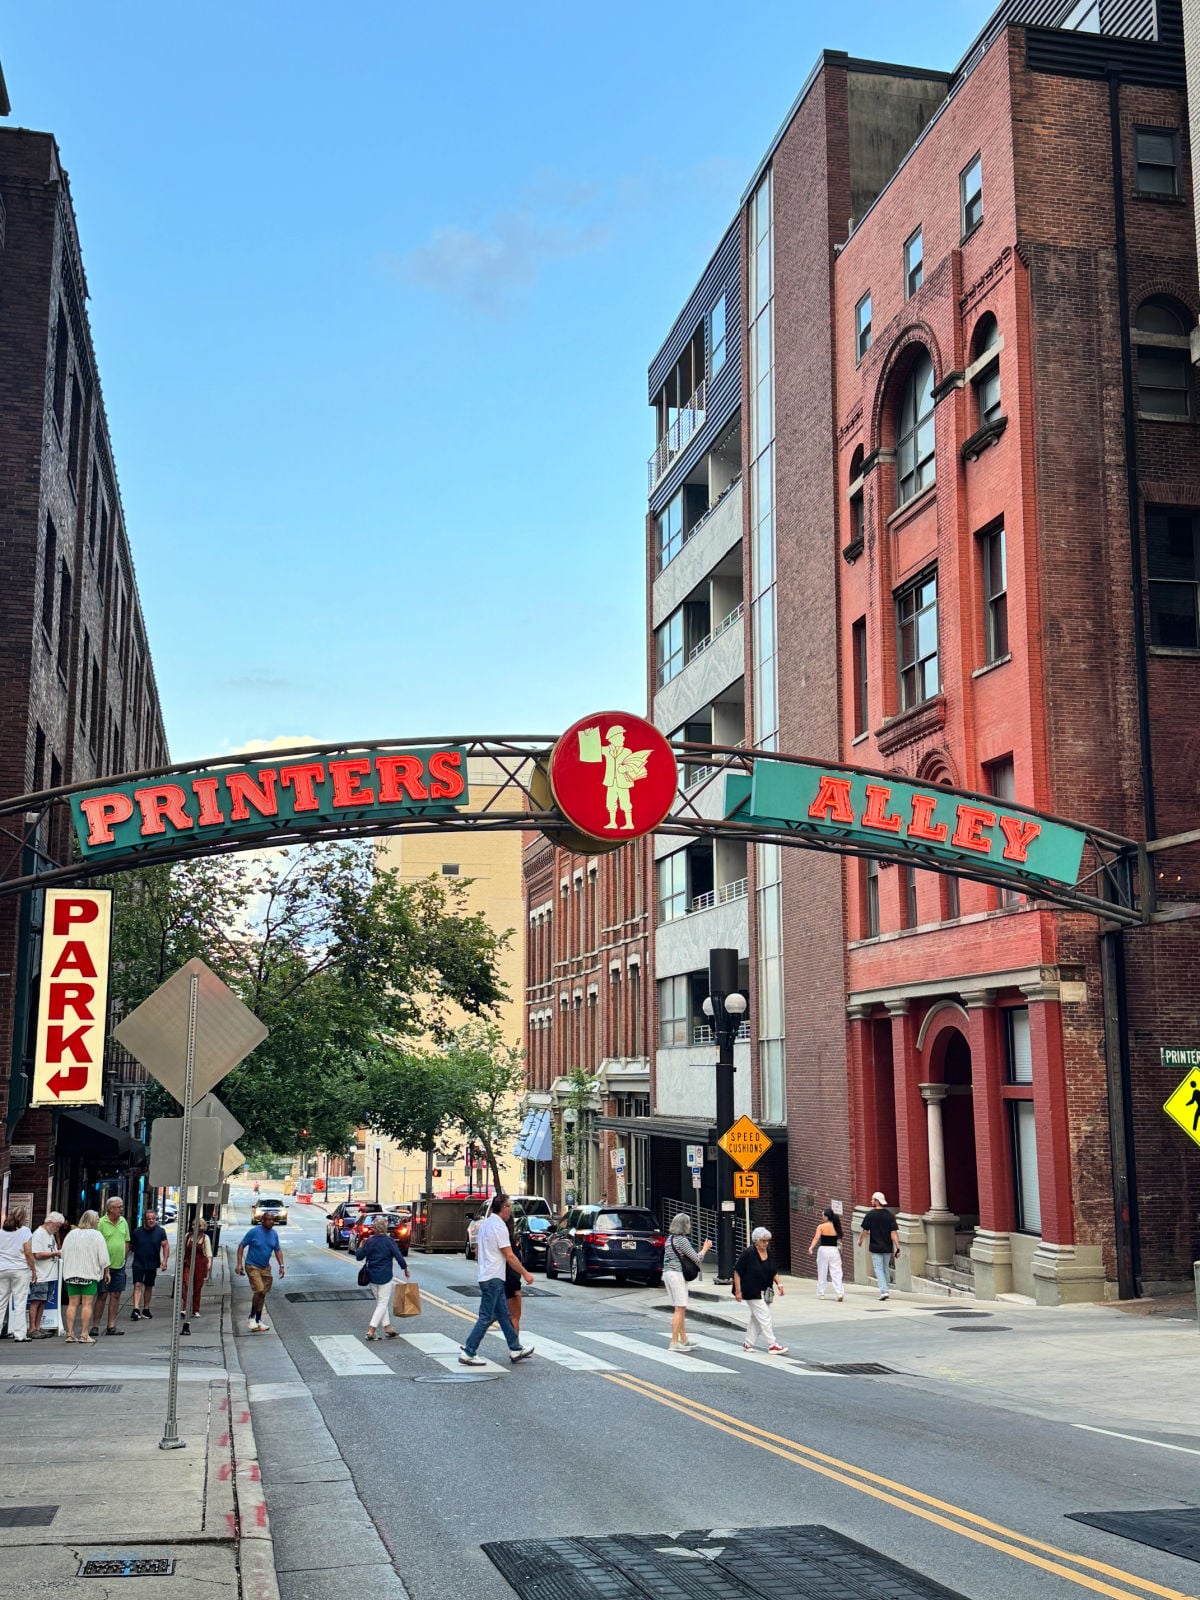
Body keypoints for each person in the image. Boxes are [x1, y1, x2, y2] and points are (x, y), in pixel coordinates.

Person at [458, 1193, 534, 1366]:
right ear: (504, 1208)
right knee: (485, 1317)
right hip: (494, 1277)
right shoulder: (499, 1227)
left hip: (488, 1275)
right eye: (510, 1206)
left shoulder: (485, 1224)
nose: (511, 1210)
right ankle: (469, 1351)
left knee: (503, 1315)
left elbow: (478, 1250)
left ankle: (515, 1348)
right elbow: (509, 1255)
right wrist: (525, 1273)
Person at [733, 1226, 788, 1353]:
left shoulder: (768, 1252)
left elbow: (773, 1270)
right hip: (751, 1290)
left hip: (765, 1289)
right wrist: (738, 1290)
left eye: (767, 1241)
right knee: (764, 1316)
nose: (766, 1243)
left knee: (756, 1318)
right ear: (756, 1241)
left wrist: (779, 1285)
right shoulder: (748, 1253)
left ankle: (748, 1343)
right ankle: (772, 1344)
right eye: (763, 1241)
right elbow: (737, 1271)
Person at [355, 1214, 409, 1340]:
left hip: (371, 1276)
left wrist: (361, 1246)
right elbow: (399, 1256)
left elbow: (359, 1256)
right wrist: (405, 1268)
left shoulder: (369, 1241)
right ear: (385, 1227)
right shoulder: (389, 1241)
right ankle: (371, 1330)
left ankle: (388, 1328)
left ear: (374, 1228)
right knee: (382, 1303)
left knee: (380, 1303)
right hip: (385, 1275)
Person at [662, 1213, 711, 1352]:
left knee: (680, 1307)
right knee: (679, 1308)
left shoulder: (669, 1239)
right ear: (684, 1225)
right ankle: (673, 1342)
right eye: (688, 1223)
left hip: (667, 1273)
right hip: (677, 1275)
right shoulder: (682, 1240)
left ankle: (683, 1339)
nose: (690, 1225)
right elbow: (696, 1258)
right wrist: (705, 1248)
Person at [60, 1212, 111, 1343]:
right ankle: (84, 1333)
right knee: (87, 1304)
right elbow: (104, 1257)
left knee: (72, 1304)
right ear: (93, 1221)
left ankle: (70, 1334)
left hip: (71, 1273)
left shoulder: (71, 1234)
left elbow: (63, 1253)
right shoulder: (97, 1235)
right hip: (89, 1274)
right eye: (97, 1219)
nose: (99, 1221)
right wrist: (106, 1271)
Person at [236, 1208, 284, 1332]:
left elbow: (277, 1250)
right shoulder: (254, 1232)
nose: (271, 1222)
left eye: (273, 1220)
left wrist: (281, 1266)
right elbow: (241, 1246)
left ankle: (258, 1319)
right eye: (268, 1220)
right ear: (262, 1221)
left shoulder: (274, 1234)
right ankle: (251, 1317)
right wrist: (239, 1264)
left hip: (265, 1267)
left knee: (262, 1293)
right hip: (252, 1265)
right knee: (259, 1289)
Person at [95, 1196, 131, 1335]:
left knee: (116, 1295)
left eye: (121, 1207)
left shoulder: (123, 1222)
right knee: (102, 1295)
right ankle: (96, 1325)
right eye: (119, 1207)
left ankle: (111, 1325)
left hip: (119, 1265)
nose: (121, 1209)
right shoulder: (101, 1223)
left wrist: (124, 1257)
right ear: (110, 1209)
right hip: (104, 1266)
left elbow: (127, 1241)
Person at [0, 1205, 36, 1342]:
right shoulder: (25, 1231)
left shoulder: (1, 1232)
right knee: (20, 1302)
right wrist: (33, 1269)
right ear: (23, 1218)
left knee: (1, 1301)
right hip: (20, 1269)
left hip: (2, 1269)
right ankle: (20, 1334)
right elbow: (28, 1252)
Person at [27, 1211, 65, 1338]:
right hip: (41, 1274)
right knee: (36, 1300)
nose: (57, 1229)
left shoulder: (50, 1234)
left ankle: (38, 1326)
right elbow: (37, 1254)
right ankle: (32, 1327)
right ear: (49, 1223)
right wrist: (55, 1254)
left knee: (43, 1301)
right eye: (57, 1226)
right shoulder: (39, 1234)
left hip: (49, 1273)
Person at [858, 1191, 900, 1300]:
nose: (871, 1201)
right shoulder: (890, 1216)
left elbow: (865, 1230)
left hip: (876, 1247)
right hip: (887, 1247)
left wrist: (860, 1240)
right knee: (885, 1268)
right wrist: (897, 1246)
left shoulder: (870, 1215)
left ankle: (884, 1290)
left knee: (878, 1269)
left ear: (877, 1201)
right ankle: (886, 1288)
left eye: (873, 1199)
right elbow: (894, 1233)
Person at [130, 1209, 169, 1321]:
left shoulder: (160, 1231)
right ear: (145, 1220)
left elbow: (165, 1245)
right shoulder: (137, 1232)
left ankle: (146, 1308)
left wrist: (164, 1261)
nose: (152, 1221)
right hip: (138, 1262)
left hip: (152, 1263)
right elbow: (131, 1246)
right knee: (137, 1284)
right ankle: (136, 1309)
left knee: (148, 1285)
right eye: (149, 1219)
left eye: (153, 1219)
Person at [808, 1208, 845, 1301]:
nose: (822, 1217)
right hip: (834, 1250)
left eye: (823, 1215)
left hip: (823, 1249)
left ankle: (821, 1292)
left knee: (822, 1270)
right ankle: (839, 1292)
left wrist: (811, 1247)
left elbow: (816, 1238)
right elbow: (839, 1240)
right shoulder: (837, 1226)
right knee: (836, 1271)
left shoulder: (821, 1226)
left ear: (827, 1217)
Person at [182, 1220, 213, 1318]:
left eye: (198, 1225)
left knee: (197, 1287)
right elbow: (183, 1250)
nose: (195, 1227)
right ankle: (184, 1308)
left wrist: (209, 1264)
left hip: (200, 1265)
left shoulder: (205, 1238)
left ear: (203, 1227)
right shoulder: (188, 1236)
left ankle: (195, 1309)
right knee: (186, 1284)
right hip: (188, 1262)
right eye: (193, 1224)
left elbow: (208, 1253)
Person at [504, 1210, 523, 1339]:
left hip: (497, 1282)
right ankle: (515, 1347)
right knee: (514, 1317)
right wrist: (516, 1288)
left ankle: (471, 1343)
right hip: (510, 1284)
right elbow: (512, 1265)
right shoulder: (509, 1243)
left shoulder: (497, 1241)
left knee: (490, 1316)